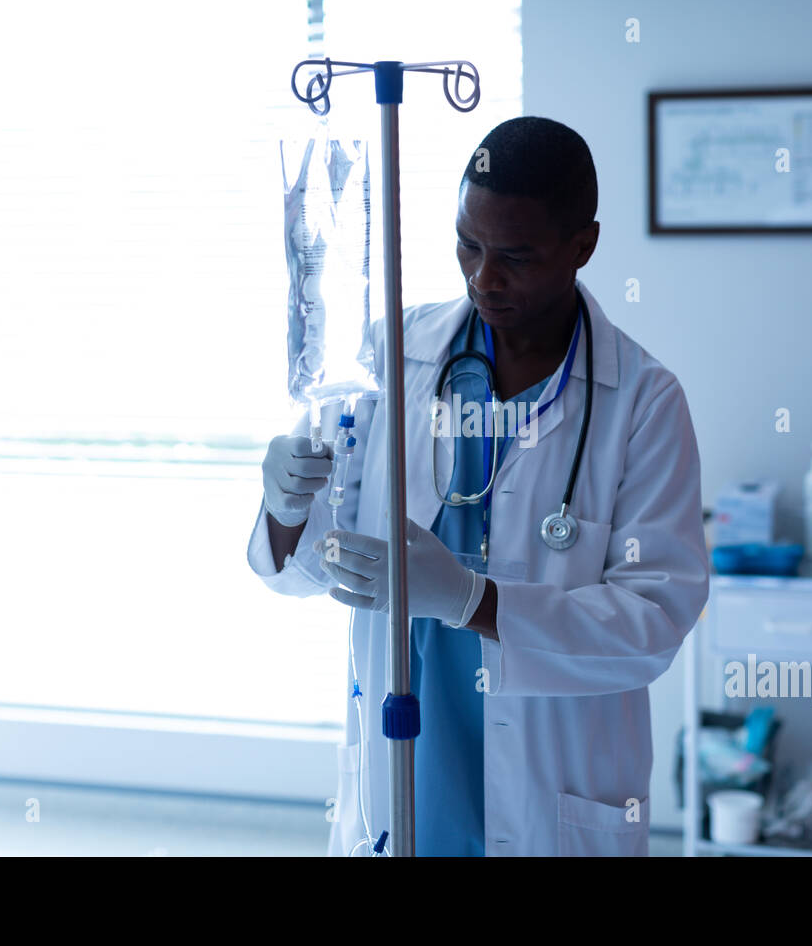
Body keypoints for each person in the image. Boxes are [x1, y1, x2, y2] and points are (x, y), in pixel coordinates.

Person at [248, 116, 708, 856]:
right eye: (469, 244)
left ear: (583, 246)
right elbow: (309, 570)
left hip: (551, 795)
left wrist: (473, 600)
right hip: (408, 755)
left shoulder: (643, 402)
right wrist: (286, 506)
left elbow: (651, 625)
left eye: (516, 257)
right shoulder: (395, 355)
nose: (483, 276)